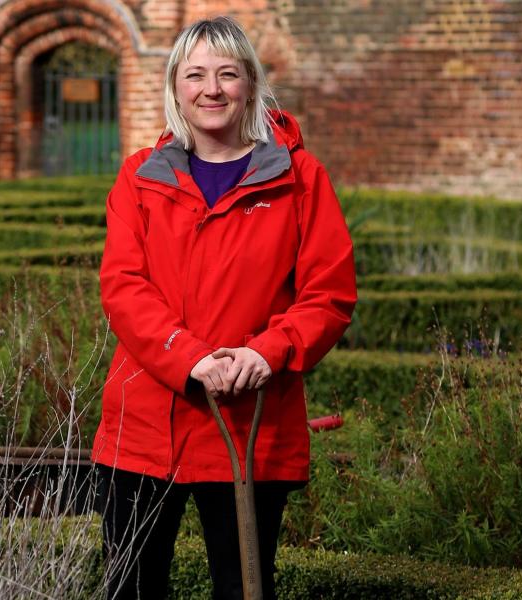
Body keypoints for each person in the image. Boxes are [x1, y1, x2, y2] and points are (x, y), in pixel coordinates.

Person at [91, 15, 356, 600]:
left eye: (227, 74)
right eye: (196, 75)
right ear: (176, 88)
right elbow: (124, 286)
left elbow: (328, 295)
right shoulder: (139, 177)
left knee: (243, 588)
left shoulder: (301, 179)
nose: (212, 89)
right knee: (130, 589)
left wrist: (269, 352)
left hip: (249, 421)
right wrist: (189, 359)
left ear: (251, 86)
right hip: (145, 426)